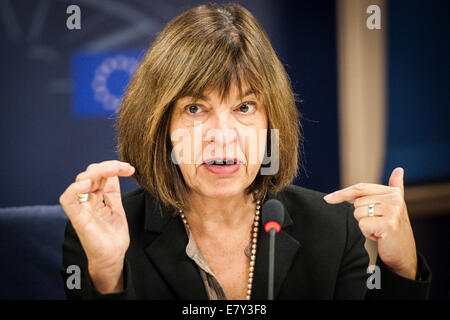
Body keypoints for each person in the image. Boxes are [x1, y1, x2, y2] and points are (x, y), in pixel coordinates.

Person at [59, 3, 431, 300]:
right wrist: (107, 279)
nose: (223, 137)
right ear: (160, 127)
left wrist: (403, 271)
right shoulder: (102, 234)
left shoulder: (333, 229)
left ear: (272, 122)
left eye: (245, 107)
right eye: (195, 109)